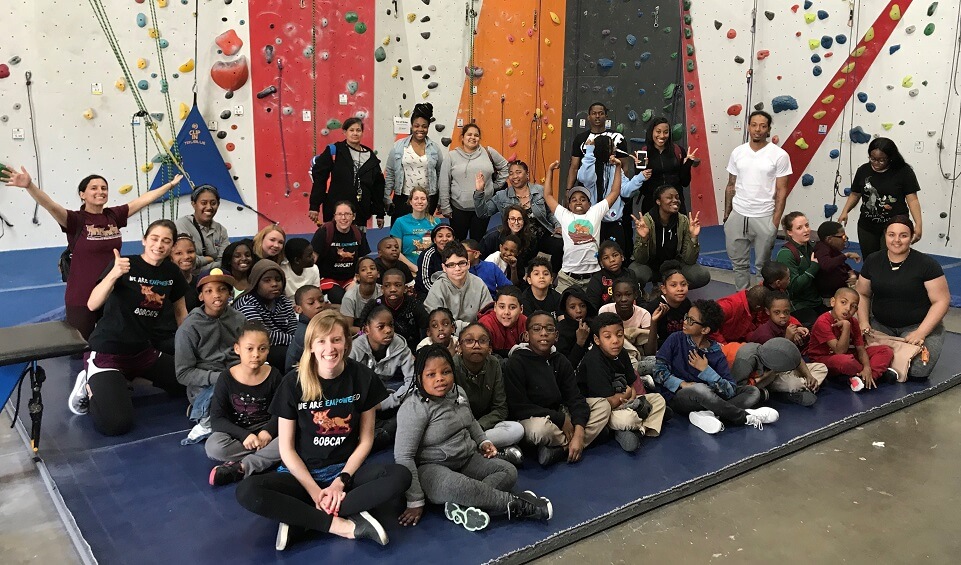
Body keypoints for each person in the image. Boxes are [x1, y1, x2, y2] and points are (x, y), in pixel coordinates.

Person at [235, 311, 412, 550]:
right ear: (311, 346)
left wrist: (340, 482)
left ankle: (303, 518)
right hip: (301, 476)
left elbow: (366, 440)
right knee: (247, 491)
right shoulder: (293, 383)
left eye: (336, 340)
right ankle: (341, 524)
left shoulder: (362, 377)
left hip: (346, 474)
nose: (330, 348)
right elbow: (286, 449)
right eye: (321, 341)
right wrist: (314, 491)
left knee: (401, 476)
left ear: (347, 344)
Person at [1, 167, 183, 339]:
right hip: (81, 293)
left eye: (104, 188)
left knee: (110, 341)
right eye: (94, 188)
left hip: (111, 291)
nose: (100, 191)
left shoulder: (114, 216)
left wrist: (169, 185)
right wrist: (29, 186)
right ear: (82, 194)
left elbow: (143, 200)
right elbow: (50, 205)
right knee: (81, 343)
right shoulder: (75, 220)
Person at [395, 346, 550, 532]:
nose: (440, 378)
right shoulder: (413, 407)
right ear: (419, 377)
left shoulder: (458, 392)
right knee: (457, 486)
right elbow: (404, 456)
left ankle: (466, 504)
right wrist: (414, 500)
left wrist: (483, 441)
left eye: (446, 372)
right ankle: (518, 505)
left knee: (508, 471)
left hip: (466, 458)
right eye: (431, 374)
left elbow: (471, 421)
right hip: (432, 468)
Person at [67, 219, 188, 436]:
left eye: (166, 241)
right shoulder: (124, 265)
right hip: (108, 352)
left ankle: (127, 378)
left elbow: (181, 312)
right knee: (116, 424)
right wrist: (114, 274)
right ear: (144, 240)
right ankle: (88, 383)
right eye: (154, 238)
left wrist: (188, 348)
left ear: (172, 246)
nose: (159, 245)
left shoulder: (171, 272)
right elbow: (93, 304)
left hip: (142, 352)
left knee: (187, 385)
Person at [653, 299, 778, 434]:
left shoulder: (716, 353)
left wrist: (706, 371)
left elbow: (730, 390)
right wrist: (682, 384)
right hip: (678, 397)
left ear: (705, 329)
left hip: (710, 398)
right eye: (686, 317)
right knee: (700, 389)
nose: (685, 322)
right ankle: (743, 417)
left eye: (691, 320)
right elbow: (658, 371)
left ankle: (708, 415)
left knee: (752, 392)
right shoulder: (675, 339)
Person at [504, 311, 612, 466]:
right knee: (539, 430)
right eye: (537, 329)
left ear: (556, 336)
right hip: (534, 419)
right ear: (526, 336)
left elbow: (575, 398)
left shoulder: (560, 361)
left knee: (603, 405)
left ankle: (563, 449)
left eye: (549, 329)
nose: (543, 333)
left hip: (560, 412)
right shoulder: (516, 362)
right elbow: (518, 407)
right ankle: (581, 441)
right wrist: (559, 419)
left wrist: (579, 431)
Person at [856, 217, 949, 379]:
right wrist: (863, 322)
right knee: (858, 356)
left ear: (911, 237)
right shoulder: (873, 260)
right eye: (891, 235)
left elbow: (941, 301)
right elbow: (862, 293)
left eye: (903, 235)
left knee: (917, 371)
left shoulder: (927, 264)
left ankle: (888, 365)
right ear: (885, 236)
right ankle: (889, 364)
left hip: (917, 326)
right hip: (881, 325)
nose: (896, 240)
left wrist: (921, 333)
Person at [206, 321, 284, 486]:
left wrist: (268, 431)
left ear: (268, 350)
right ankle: (268, 457)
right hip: (238, 434)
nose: (256, 354)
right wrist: (244, 435)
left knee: (294, 437)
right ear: (237, 349)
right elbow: (217, 419)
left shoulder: (275, 375)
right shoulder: (226, 378)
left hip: (268, 431)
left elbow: (283, 410)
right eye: (249, 349)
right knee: (214, 447)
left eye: (262, 349)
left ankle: (242, 466)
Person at [576, 313, 667, 452]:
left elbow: (631, 384)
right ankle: (636, 423)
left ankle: (640, 431)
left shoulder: (622, 353)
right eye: (608, 337)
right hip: (602, 410)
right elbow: (607, 403)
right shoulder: (594, 361)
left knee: (658, 400)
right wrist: (628, 396)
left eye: (619, 335)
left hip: (623, 402)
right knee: (629, 418)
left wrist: (631, 397)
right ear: (597, 340)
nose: (615, 341)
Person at [723, 111, 792, 290]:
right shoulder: (738, 152)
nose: (758, 129)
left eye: (762, 126)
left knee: (763, 267)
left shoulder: (779, 155)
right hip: (738, 214)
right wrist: (727, 214)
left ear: (768, 129)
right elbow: (731, 184)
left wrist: (775, 222)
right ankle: (742, 299)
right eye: (754, 125)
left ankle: (762, 300)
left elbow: (782, 190)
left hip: (764, 215)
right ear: (748, 127)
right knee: (739, 265)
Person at [174, 269, 245, 439]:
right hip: (207, 384)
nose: (216, 295)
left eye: (222, 289)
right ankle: (202, 413)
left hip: (238, 375)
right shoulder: (189, 327)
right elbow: (183, 374)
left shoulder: (240, 319)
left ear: (230, 293)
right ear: (201, 296)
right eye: (209, 291)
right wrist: (220, 378)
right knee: (226, 404)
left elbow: (247, 350)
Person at [542, 159, 623, 293]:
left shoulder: (595, 212)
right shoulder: (564, 215)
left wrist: (618, 167)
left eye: (583, 199)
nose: (578, 202)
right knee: (561, 303)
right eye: (573, 200)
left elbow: (615, 192)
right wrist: (550, 170)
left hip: (593, 277)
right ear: (569, 205)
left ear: (590, 204)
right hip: (568, 277)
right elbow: (548, 195)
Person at [473, 160, 564, 275]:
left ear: (527, 174)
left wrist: (558, 226)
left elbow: (550, 213)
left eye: (518, 172)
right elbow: (483, 213)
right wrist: (479, 191)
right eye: (511, 173)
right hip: (518, 237)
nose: (514, 176)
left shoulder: (540, 190)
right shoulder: (502, 196)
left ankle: (553, 276)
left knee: (560, 245)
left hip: (541, 235)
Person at [838, 138, 923, 259]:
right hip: (867, 225)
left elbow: (912, 200)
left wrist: (918, 224)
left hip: (894, 225)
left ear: (890, 158)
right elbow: (855, 194)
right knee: (870, 260)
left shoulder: (904, 172)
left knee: (889, 259)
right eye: (873, 159)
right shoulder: (863, 170)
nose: (876, 163)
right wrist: (845, 211)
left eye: (881, 160)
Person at [453, 323, 525, 459]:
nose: (476, 345)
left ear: (490, 348)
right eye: (469, 341)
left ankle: (474, 450)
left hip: (485, 426)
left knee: (517, 429)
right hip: (460, 428)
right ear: (459, 347)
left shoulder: (494, 364)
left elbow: (500, 408)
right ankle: (492, 452)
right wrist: (470, 429)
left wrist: (479, 427)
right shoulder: (451, 367)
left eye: (482, 341)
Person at [350, 304, 416, 450]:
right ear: (366, 330)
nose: (388, 330)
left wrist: (384, 404)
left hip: (381, 396)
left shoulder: (399, 346)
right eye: (381, 327)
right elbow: (344, 386)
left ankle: (380, 434)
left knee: (414, 404)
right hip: (357, 401)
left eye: (391, 325)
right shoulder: (354, 349)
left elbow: (412, 381)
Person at [807, 287, 895, 391]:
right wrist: (846, 327)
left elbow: (861, 349)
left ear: (856, 310)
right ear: (833, 302)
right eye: (843, 302)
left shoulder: (854, 321)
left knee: (885, 350)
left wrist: (867, 367)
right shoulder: (823, 321)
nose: (848, 308)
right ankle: (875, 375)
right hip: (824, 359)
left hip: (850, 355)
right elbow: (840, 351)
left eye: (853, 306)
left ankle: (868, 377)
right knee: (845, 361)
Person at [629, 184, 711, 291]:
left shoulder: (683, 221)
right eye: (669, 197)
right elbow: (640, 259)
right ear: (658, 201)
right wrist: (644, 239)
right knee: (634, 273)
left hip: (675, 265)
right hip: (651, 266)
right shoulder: (646, 222)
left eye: (677, 197)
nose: (675, 200)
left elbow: (690, 260)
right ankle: (644, 293)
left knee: (702, 276)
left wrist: (693, 238)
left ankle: (671, 291)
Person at [309, 117, 386, 228]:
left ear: (362, 132)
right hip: (336, 211)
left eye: (358, 130)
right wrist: (314, 206)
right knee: (335, 238)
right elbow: (319, 179)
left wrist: (380, 213)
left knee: (358, 238)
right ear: (345, 132)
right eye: (351, 130)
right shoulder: (334, 150)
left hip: (360, 213)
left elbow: (377, 186)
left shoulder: (370, 156)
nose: (355, 133)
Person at [438, 123, 509, 240]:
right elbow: (444, 182)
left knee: (478, 242)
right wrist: (445, 206)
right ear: (462, 137)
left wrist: (496, 185)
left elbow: (506, 167)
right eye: (469, 134)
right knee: (458, 242)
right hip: (458, 208)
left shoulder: (488, 152)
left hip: (483, 208)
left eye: (476, 135)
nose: (473, 137)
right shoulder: (451, 156)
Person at [577, 136, 645, 243]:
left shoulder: (615, 167)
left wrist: (640, 177)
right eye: (611, 146)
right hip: (593, 221)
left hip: (613, 221)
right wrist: (589, 152)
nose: (614, 149)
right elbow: (585, 178)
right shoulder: (590, 167)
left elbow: (625, 191)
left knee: (616, 249)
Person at [232, 260, 298, 370]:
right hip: (257, 349)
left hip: (284, 345)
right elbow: (263, 335)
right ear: (256, 283)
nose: (274, 284)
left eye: (278, 279)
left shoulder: (283, 301)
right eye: (267, 280)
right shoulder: (246, 303)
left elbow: (294, 329)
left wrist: (297, 341)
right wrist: (296, 341)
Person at [385, 103, 444, 217]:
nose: (420, 129)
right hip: (403, 199)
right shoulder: (398, 147)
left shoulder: (435, 148)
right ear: (411, 126)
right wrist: (387, 197)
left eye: (424, 126)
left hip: (427, 199)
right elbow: (390, 174)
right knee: (400, 228)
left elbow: (440, 175)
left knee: (425, 228)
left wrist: (441, 200)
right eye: (416, 126)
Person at [730, 337, 826, 407]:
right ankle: (798, 388)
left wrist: (808, 375)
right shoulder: (744, 361)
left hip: (774, 369)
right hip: (759, 378)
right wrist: (762, 378)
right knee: (793, 384)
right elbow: (738, 389)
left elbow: (795, 357)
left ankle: (803, 387)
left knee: (821, 368)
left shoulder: (770, 350)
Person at [311, 201, 371, 304]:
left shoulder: (358, 234)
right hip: (327, 279)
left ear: (353, 216)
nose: (343, 218)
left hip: (350, 279)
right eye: (339, 214)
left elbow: (363, 261)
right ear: (334, 216)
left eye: (347, 214)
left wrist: (356, 280)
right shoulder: (324, 232)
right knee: (339, 298)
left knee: (358, 298)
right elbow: (312, 259)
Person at [636, 117, 698, 215]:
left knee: (679, 225)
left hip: (675, 203)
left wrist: (687, 164)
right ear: (652, 132)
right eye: (658, 132)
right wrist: (640, 168)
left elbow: (685, 182)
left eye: (666, 132)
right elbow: (641, 187)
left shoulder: (678, 151)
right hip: (652, 204)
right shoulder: (644, 153)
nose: (662, 136)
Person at [775, 212, 828, 325]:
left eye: (807, 225)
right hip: (799, 306)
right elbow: (793, 287)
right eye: (799, 228)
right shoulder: (786, 254)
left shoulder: (812, 246)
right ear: (790, 232)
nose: (806, 230)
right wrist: (814, 267)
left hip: (817, 301)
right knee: (819, 328)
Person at [424, 242, 494, 326]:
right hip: (447, 332)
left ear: (468, 264)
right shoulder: (438, 287)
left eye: (461, 263)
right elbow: (437, 322)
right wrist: (467, 327)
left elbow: (488, 315)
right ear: (444, 267)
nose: (457, 268)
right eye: (451, 265)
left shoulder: (479, 283)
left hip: (476, 331)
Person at [565, 102, 629, 193]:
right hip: (586, 189)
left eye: (601, 113)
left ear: (606, 116)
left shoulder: (617, 138)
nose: (597, 116)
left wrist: (622, 189)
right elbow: (574, 167)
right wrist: (568, 189)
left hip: (610, 188)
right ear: (588, 117)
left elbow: (624, 166)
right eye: (594, 113)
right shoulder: (580, 138)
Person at [365, 269, 430, 351]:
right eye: (387, 286)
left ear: (405, 288)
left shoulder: (414, 304)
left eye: (398, 285)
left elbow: (427, 326)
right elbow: (362, 331)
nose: (392, 289)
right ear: (382, 289)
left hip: (411, 349)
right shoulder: (376, 305)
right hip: (382, 349)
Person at [175, 184, 231, 271]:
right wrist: (208, 259)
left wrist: (201, 265)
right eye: (204, 203)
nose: (209, 207)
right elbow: (185, 261)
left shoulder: (221, 230)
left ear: (218, 204)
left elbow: (225, 261)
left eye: (213, 203)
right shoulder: (182, 225)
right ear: (194, 204)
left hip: (214, 277)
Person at [390, 186, 441, 275]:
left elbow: (440, 249)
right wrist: (415, 269)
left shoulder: (436, 222)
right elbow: (397, 252)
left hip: (432, 269)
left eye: (423, 199)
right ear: (410, 201)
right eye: (416, 198)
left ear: (427, 202)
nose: (419, 202)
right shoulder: (400, 222)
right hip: (408, 270)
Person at [644, 261, 693, 349]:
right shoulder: (654, 308)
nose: (680, 289)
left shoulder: (686, 303)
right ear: (664, 289)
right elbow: (649, 342)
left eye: (683, 284)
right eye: (673, 285)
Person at [813, 221, 860, 301]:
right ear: (829, 239)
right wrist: (846, 255)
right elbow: (826, 265)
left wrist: (852, 273)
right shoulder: (821, 249)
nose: (845, 240)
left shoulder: (833, 249)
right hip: (831, 296)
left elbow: (842, 264)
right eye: (843, 237)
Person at [585, 240, 637, 312]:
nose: (612, 260)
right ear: (601, 263)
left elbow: (638, 298)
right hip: (606, 316)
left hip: (630, 313)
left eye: (615, 255)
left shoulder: (630, 274)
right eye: (606, 258)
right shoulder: (597, 279)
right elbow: (592, 308)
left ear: (622, 257)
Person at [285, 284, 327, 373]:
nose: (319, 305)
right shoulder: (304, 332)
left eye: (321, 300)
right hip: (298, 374)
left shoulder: (321, 322)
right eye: (311, 303)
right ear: (298, 309)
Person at [478, 286, 527, 358]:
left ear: (521, 309)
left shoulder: (525, 322)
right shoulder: (485, 325)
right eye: (502, 307)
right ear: (495, 307)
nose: (506, 312)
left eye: (512, 307)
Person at [555, 286, 596, 368]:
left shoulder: (593, 325)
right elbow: (565, 367)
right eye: (572, 307)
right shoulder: (561, 331)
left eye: (582, 306)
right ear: (565, 309)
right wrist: (580, 342)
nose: (579, 310)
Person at [340, 256, 382, 335]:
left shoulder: (382, 292)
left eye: (372, 268)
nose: (369, 271)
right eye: (363, 270)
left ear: (378, 274)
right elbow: (348, 328)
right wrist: (366, 333)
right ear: (358, 277)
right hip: (360, 334)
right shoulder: (349, 297)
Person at [414, 223, 455, 298]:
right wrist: (443, 296)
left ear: (453, 239)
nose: (444, 239)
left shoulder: (458, 253)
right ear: (434, 240)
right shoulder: (427, 255)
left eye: (448, 236)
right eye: (440, 236)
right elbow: (425, 283)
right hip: (429, 294)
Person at [171, 234, 200, 313]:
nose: (186, 256)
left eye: (190, 252)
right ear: (170, 257)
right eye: (179, 253)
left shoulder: (200, 283)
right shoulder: (165, 285)